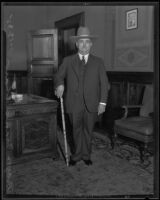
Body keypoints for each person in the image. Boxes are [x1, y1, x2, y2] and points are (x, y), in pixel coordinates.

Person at [54, 26, 109, 166]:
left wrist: (102, 103)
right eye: (81, 42)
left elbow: (105, 84)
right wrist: (59, 84)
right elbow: (58, 76)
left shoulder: (99, 62)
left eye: (87, 42)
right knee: (76, 130)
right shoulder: (67, 61)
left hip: (92, 103)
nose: (84, 45)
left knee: (88, 130)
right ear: (76, 44)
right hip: (73, 103)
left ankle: (86, 155)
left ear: (91, 44)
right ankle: (77, 155)